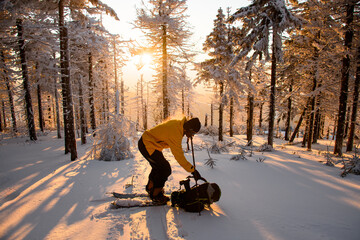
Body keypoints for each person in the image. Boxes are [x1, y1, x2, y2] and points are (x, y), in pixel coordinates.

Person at [138, 117, 202, 204]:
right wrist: (192, 170)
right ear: (188, 129)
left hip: (150, 144)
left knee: (158, 167)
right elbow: (179, 157)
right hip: (147, 144)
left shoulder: (178, 125)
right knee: (165, 169)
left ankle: (151, 188)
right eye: (193, 133)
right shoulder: (176, 133)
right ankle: (156, 195)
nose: (192, 135)